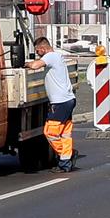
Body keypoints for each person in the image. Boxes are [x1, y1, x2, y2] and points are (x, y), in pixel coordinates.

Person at [26, 35, 76, 172]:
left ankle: (66, 157)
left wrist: (26, 64)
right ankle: (65, 162)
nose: (37, 54)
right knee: (65, 134)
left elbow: (35, 65)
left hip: (60, 102)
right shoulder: (57, 56)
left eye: (37, 51)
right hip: (67, 100)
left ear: (43, 48)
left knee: (50, 132)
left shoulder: (50, 56)